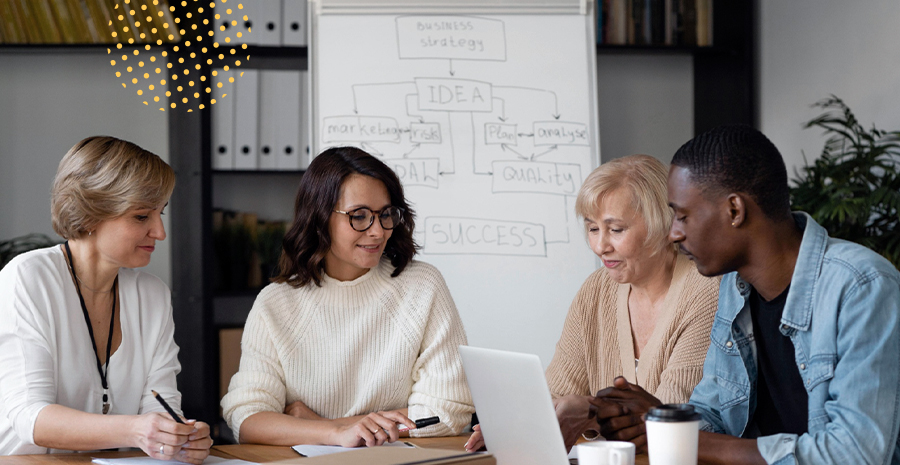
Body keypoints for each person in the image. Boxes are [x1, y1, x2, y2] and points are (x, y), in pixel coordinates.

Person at [594, 125, 900, 464]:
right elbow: (714, 413)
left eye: (682, 216)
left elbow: (856, 454)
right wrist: (659, 419)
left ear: (735, 211)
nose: (674, 233)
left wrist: (682, 437)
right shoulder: (734, 286)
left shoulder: (862, 287)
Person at [220, 146, 474, 448]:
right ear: (320, 218)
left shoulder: (422, 286)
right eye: (360, 216)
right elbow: (249, 418)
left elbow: (448, 410)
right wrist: (335, 433)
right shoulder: (275, 303)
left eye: (386, 215)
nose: (378, 231)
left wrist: (318, 423)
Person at [464, 154, 720, 452]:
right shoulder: (596, 289)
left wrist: (588, 411)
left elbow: (671, 418)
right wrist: (521, 421)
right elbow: (557, 393)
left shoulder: (705, 291)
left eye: (616, 229)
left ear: (663, 225)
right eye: (593, 228)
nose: (600, 246)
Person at [0, 136, 212, 463]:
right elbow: (31, 416)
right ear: (89, 215)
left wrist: (177, 436)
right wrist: (137, 430)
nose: (160, 232)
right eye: (142, 216)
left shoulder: (152, 294)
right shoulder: (29, 278)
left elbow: (160, 406)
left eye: (161, 214)